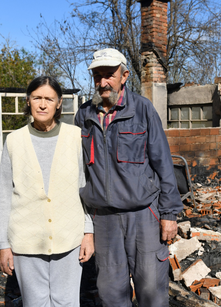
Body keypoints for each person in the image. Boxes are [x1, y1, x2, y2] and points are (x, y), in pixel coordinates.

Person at [74, 48, 183, 307]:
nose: (102, 82)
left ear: (123, 76)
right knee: (111, 293)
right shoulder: (84, 117)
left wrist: (169, 214)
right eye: (97, 76)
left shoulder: (142, 110)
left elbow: (163, 164)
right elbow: (78, 172)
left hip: (143, 216)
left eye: (109, 75)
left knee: (152, 292)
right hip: (104, 220)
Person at [0, 76, 94, 307]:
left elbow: (85, 188)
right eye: (37, 98)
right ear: (28, 101)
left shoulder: (75, 137)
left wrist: (88, 233)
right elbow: (5, 196)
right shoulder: (13, 141)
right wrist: (3, 244)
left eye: (49, 99)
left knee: (67, 302)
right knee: (35, 303)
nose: (42, 104)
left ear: (59, 103)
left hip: (69, 238)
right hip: (25, 240)